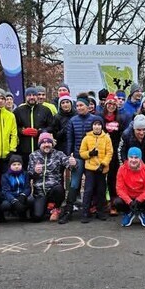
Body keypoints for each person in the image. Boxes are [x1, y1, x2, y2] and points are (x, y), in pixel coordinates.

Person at [61, 95, 102, 223]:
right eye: (77, 106)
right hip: (78, 157)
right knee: (74, 183)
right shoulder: (73, 120)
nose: (79, 108)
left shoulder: (96, 119)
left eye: (81, 105)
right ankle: (68, 210)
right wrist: (69, 157)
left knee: (92, 184)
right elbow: (70, 140)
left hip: (93, 157)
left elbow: (101, 138)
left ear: (88, 106)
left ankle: (92, 208)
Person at [29, 133, 77, 222]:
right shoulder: (33, 155)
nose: (46, 145)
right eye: (43, 143)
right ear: (40, 144)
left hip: (53, 190)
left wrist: (73, 163)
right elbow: (30, 174)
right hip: (39, 193)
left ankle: (56, 208)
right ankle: (47, 208)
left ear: (52, 144)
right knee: (37, 217)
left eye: (49, 143)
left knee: (59, 189)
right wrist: (35, 172)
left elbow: (70, 166)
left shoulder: (59, 154)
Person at [79, 118, 113, 223]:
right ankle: (85, 212)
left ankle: (100, 211)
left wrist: (103, 164)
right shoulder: (86, 138)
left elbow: (109, 152)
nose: (97, 126)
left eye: (99, 124)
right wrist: (90, 153)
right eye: (95, 124)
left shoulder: (106, 138)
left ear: (102, 126)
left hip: (102, 169)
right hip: (90, 168)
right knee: (88, 190)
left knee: (101, 190)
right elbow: (81, 152)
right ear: (92, 126)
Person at [115, 147, 145, 227]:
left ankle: (143, 213)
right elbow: (119, 189)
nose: (133, 160)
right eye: (131, 157)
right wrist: (129, 201)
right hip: (128, 197)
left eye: (136, 157)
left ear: (140, 158)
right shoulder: (121, 169)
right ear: (128, 157)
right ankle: (128, 213)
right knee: (117, 202)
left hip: (141, 198)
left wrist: (138, 200)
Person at [14, 87, 54, 160]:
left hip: (41, 149)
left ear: (37, 97)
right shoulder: (18, 111)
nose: (32, 97)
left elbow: (52, 127)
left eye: (34, 95)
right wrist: (22, 131)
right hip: (23, 150)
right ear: (26, 97)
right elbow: (13, 127)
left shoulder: (45, 110)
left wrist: (40, 132)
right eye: (29, 95)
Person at [0, 154, 33, 221]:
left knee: (31, 200)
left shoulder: (25, 174)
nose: (16, 166)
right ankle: (2, 215)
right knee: (5, 205)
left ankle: (25, 214)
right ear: (10, 166)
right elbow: (5, 191)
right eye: (14, 165)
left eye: (18, 164)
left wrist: (23, 195)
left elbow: (27, 187)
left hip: (22, 196)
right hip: (11, 198)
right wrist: (14, 200)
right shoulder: (5, 176)